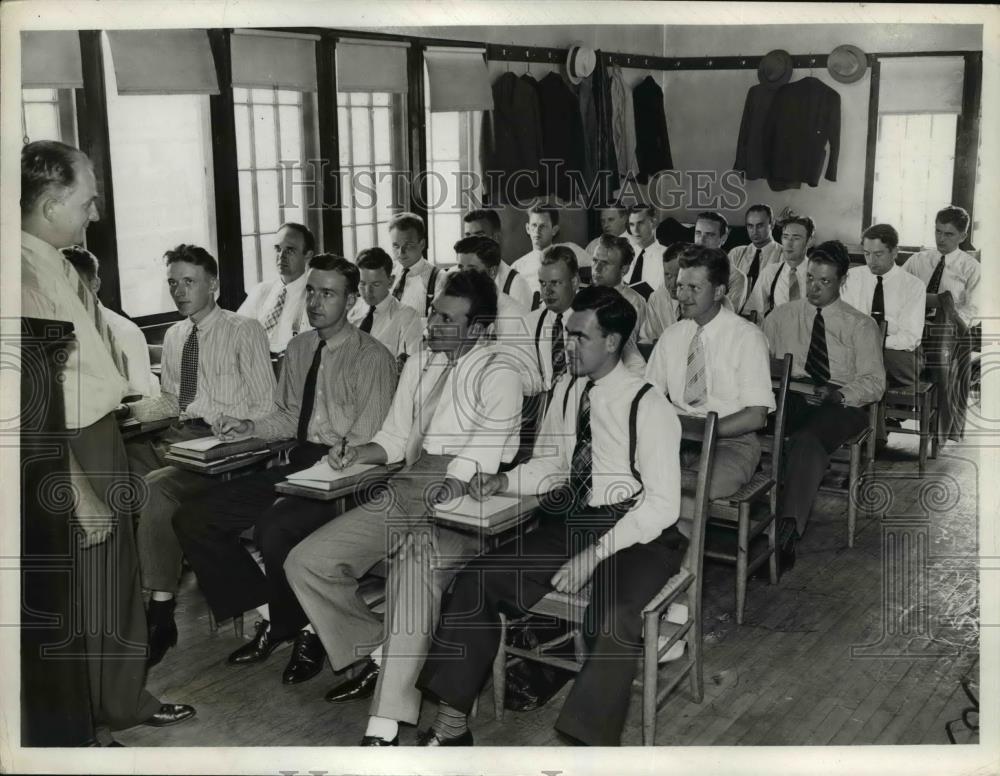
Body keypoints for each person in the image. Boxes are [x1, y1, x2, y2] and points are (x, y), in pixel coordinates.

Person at [416, 285, 685, 747]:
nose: (567, 344)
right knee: (477, 579)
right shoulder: (567, 389)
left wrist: (596, 555)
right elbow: (555, 465)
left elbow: (663, 505)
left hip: (639, 531)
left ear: (613, 343)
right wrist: (507, 481)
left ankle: (588, 746)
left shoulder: (649, 405)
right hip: (577, 521)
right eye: (566, 333)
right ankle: (452, 725)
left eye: (580, 336)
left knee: (613, 614)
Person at [284, 270, 522, 746]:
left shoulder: (501, 374)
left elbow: (480, 461)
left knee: (414, 566)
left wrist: (424, 517)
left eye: (446, 318)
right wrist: (357, 451)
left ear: (477, 329)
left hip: (468, 497)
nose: (431, 322)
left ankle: (386, 724)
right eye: (432, 310)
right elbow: (393, 439)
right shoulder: (420, 362)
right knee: (307, 562)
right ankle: (380, 652)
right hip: (409, 484)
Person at [20, 139, 193, 745]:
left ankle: (124, 701)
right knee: (82, 591)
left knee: (118, 581)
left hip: (102, 430)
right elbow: (22, 408)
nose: (95, 214)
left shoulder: (61, 264)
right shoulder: (15, 272)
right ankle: (84, 726)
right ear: (50, 202)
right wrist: (77, 488)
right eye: (87, 201)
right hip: (62, 443)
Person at [173, 255, 397, 685]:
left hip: (346, 474)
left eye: (328, 293)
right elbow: (287, 418)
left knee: (275, 529)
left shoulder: (372, 358)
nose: (314, 301)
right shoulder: (299, 349)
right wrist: (249, 426)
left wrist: (338, 455)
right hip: (298, 460)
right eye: (311, 290)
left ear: (351, 301)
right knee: (194, 518)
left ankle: (305, 632)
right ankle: (276, 616)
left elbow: (368, 438)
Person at [121, 244, 276, 667]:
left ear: (214, 284)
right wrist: (127, 410)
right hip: (180, 440)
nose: (179, 291)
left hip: (227, 446)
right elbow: (172, 400)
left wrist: (235, 421)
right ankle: (147, 606)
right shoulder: (174, 336)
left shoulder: (244, 330)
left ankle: (159, 612)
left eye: (189, 281)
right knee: (126, 477)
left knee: (155, 489)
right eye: (173, 282)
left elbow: (265, 408)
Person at [761, 245, 885, 570]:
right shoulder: (781, 316)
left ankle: (786, 530)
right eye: (811, 278)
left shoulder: (860, 325)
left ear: (841, 281)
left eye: (825, 282)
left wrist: (839, 395)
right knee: (757, 421)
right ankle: (745, 514)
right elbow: (757, 363)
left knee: (806, 440)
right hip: (793, 393)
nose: (814, 288)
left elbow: (874, 381)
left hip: (842, 403)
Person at [645, 245, 774, 522]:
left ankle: (684, 565)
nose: (683, 296)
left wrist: (703, 433)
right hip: (677, 439)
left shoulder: (746, 337)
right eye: (680, 286)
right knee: (629, 484)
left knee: (685, 496)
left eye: (694, 288)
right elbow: (649, 396)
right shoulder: (672, 335)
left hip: (730, 443)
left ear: (718, 291)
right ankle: (654, 560)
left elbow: (756, 415)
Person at [902, 205, 981, 441]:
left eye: (949, 234)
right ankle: (890, 412)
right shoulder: (918, 260)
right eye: (938, 231)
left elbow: (973, 309)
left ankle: (943, 427)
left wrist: (947, 321)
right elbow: (898, 289)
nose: (941, 239)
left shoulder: (971, 268)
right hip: (914, 326)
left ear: (963, 236)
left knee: (943, 352)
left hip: (952, 331)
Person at [840, 228, 926, 440]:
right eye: (867, 254)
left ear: (895, 252)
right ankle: (872, 438)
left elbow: (910, 338)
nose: (871, 261)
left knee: (868, 364)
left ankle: (864, 437)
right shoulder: (852, 277)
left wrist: (872, 343)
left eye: (878, 254)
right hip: (862, 354)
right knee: (866, 367)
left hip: (902, 357)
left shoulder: (913, 285)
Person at [62, 245, 160, 398]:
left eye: (72, 284)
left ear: (94, 285)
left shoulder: (124, 333)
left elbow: (137, 399)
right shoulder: (51, 326)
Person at [236, 222, 315, 353]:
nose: (281, 256)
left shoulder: (314, 297)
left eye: (290, 250)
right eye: (278, 248)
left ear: (307, 255)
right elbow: (235, 332)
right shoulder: (261, 291)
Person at [347, 247, 423, 368]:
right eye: (362, 283)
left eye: (375, 284)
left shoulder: (408, 317)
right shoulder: (350, 310)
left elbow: (412, 368)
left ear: (390, 281)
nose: (368, 291)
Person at [453, 235, 528, 342]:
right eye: (460, 268)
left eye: (471, 270)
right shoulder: (460, 310)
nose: (463, 277)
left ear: (492, 272)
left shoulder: (513, 316)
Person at [511, 204, 589, 307]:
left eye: (543, 226)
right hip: (535, 314)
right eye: (534, 225)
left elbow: (597, 268)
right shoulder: (517, 267)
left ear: (554, 230)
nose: (537, 230)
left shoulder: (570, 249)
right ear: (527, 228)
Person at [745, 213, 815, 322]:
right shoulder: (770, 272)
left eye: (796, 238)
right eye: (785, 237)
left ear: (809, 241)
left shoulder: (820, 273)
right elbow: (754, 313)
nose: (789, 244)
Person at [591, 233, 649, 359]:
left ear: (624, 269)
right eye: (595, 260)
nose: (597, 268)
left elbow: (641, 347)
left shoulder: (634, 302)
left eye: (605, 263)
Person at [463, 208, 533, 309]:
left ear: (495, 238)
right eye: (467, 236)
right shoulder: (455, 277)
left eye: (479, 235)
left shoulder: (516, 285)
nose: (472, 243)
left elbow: (520, 324)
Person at [728, 204, 783, 306]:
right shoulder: (736, 254)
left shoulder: (784, 256)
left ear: (772, 224)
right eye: (750, 226)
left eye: (760, 225)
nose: (754, 231)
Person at [693, 211, 747, 312]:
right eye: (698, 233)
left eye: (709, 235)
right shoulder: (683, 268)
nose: (701, 241)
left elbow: (727, 317)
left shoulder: (735, 277)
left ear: (723, 238)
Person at [389, 211, 441, 316]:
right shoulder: (387, 272)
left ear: (422, 244)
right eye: (396, 246)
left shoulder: (438, 279)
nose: (401, 252)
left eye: (408, 245)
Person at [641, 241, 686, 344]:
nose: (673, 284)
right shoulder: (657, 298)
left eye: (679, 275)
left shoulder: (704, 300)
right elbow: (647, 339)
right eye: (667, 275)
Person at [623, 204, 666, 300]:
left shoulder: (666, 256)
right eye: (632, 224)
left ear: (654, 223)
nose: (635, 230)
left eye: (640, 223)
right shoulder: (626, 253)